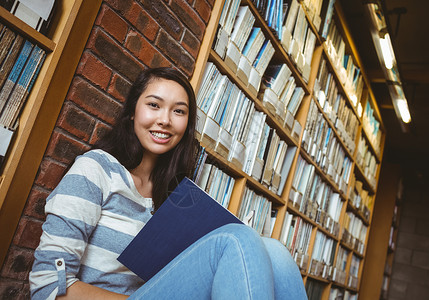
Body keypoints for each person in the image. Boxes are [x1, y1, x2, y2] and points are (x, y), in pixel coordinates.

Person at [29, 67, 308, 299]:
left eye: (179, 111)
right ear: (132, 113)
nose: (165, 120)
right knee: (235, 238)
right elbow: (47, 285)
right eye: (153, 105)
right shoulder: (95, 169)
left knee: (276, 251)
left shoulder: (177, 196)